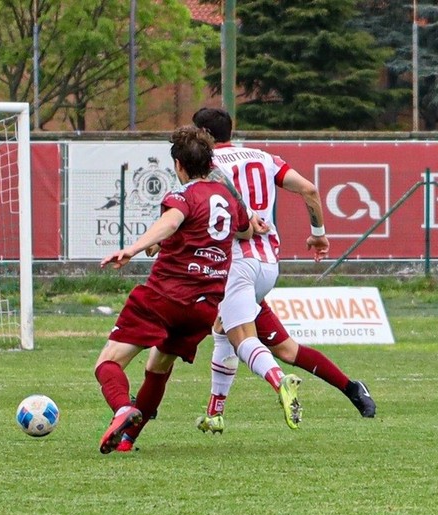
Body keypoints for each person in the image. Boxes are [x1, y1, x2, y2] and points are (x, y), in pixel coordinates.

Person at [95, 126, 298, 454]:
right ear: (209, 162)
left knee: (108, 362)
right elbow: (243, 232)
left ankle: (122, 409)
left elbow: (172, 221)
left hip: (164, 297)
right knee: (157, 368)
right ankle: (128, 440)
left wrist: (133, 248)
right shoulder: (230, 199)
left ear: (179, 165)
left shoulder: (183, 196)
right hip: (202, 309)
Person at [191, 107, 376, 435]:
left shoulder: (208, 166)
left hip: (237, 264)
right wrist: (318, 234)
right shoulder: (264, 157)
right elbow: (310, 189)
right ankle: (351, 388)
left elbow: (208, 213)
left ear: (203, 134)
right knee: (279, 346)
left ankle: (279, 381)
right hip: (268, 265)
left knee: (241, 338)